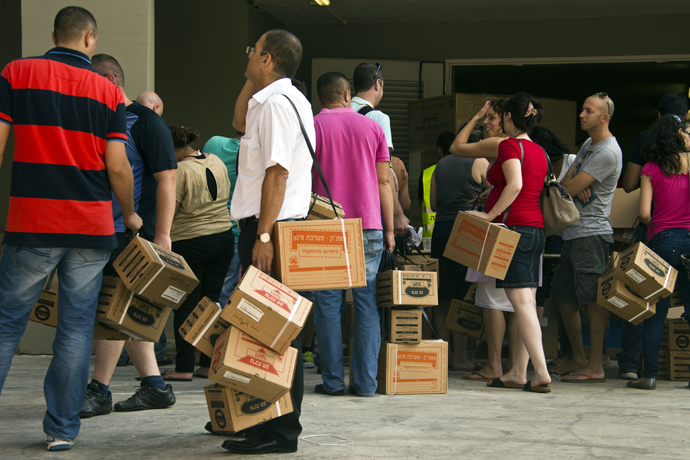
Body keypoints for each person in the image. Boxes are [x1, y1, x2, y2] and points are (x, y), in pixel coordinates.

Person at [0, 7, 140, 451]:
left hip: (33, 223)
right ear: (90, 38)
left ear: (54, 35)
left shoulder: (16, 74)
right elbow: (117, 166)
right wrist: (130, 212)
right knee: (77, 329)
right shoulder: (109, 92)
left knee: (6, 325)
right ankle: (61, 429)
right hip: (91, 227)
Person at [221, 29, 312, 455]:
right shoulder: (277, 100)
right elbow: (239, 121)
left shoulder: (277, 105)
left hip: (271, 228)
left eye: (253, 51)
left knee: (272, 335)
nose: (249, 54)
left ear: (268, 58)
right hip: (271, 225)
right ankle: (265, 423)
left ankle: (278, 431)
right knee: (266, 333)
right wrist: (252, 73)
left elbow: (277, 173)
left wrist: (262, 235)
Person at [79, 54, 177, 418]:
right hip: (102, 228)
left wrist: (162, 235)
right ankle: (154, 386)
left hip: (133, 232)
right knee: (126, 312)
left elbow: (169, 178)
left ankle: (99, 389)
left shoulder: (146, 122)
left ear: (108, 80)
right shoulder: (99, 118)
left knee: (112, 310)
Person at [309, 71, 394, 397]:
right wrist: (388, 229)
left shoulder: (313, 126)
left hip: (324, 226)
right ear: (348, 96)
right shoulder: (372, 125)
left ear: (321, 98)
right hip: (368, 224)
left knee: (329, 305)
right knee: (366, 302)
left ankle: (332, 382)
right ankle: (365, 384)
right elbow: (384, 182)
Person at [458, 93, 551, 392]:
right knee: (528, 303)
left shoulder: (511, 145)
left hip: (514, 229)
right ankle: (518, 372)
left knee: (521, 303)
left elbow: (515, 184)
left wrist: (490, 215)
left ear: (509, 117)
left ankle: (540, 372)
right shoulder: (540, 151)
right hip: (536, 230)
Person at [617, 93, 688, 380]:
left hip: (661, 241)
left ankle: (647, 374)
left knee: (654, 311)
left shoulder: (650, 169)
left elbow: (644, 213)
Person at [554, 93, 623, 383]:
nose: (581, 114)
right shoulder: (588, 144)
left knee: (593, 299)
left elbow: (566, 187)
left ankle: (595, 365)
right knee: (563, 295)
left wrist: (570, 185)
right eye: (582, 109)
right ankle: (579, 358)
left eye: (588, 110)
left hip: (592, 234)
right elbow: (563, 184)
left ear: (604, 117)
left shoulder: (608, 151)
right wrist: (569, 185)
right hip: (573, 232)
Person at [450, 99, 518, 381]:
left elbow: (457, 147)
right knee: (516, 300)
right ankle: (513, 364)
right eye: (485, 118)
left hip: (499, 228)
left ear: (505, 119)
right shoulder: (523, 145)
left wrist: (474, 117)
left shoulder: (500, 145)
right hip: (521, 226)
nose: (486, 123)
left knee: (491, 298)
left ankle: (493, 364)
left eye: (491, 118)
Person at [163, 126, 234, 381]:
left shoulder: (180, 171)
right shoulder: (215, 161)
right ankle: (207, 363)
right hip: (224, 237)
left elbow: (172, 209)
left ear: (175, 148)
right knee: (211, 303)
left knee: (185, 304)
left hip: (191, 241)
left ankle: (183, 367)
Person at [430, 131, 488, 371]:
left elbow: (434, 204)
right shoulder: (481, 162)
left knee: (442, 294)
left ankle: (444, 353)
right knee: (463, 294)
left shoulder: (439, 165)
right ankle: (462, 357)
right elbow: (493, 195)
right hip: (468, 230)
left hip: (442, 230)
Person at [351, 62, 409, 235]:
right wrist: (397, 215)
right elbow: (385, 173)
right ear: (378, 84)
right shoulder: (377, 117)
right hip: (368, 212)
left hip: (337, 209)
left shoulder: (336, 114)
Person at [202, 134, 242, 307]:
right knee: (222, 294)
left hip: (201, 229)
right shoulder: (252, 154)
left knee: (198, 293)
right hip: (232, 232)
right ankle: (212, 334)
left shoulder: (213, 142)